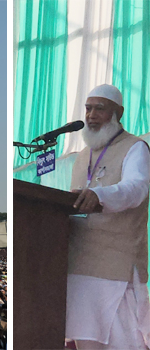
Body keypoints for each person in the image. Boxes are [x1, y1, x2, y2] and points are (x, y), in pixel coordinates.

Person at [66, 84, 150, 349]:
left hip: (116, 267)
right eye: (88, 109)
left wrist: (101, 196)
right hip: (79, 267)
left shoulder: (135, 148)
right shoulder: (81, 157)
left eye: (99, 109)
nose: (91, 115)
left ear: (118, 113)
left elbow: (137, 188)